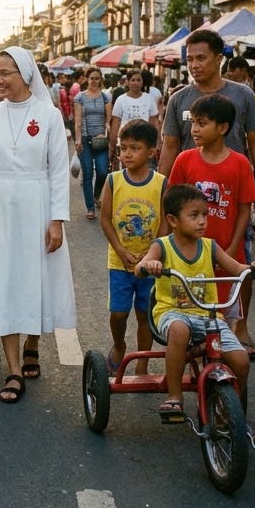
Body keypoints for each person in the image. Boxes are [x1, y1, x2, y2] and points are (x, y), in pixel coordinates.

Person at [0, 48, 77, 403]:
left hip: (37, 203)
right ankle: (14, 370)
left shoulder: (48, 116)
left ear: (26, 74)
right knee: (6, 282)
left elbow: (59, 172)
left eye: (5, 73)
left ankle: (33, 344)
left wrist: (57, 220)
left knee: (34, 278)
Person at [158, 29, 255, 342]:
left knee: (239, 261)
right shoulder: (179, 97)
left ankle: (241, 327)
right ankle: (194, 323)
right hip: (189, 201)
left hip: (233, 195)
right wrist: (162, 190)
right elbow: (169, 146)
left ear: (219, 58)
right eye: (190, 59)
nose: (194, 64)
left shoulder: (242, 94)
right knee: (189, 260)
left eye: (201, 58)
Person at [142, 184, 255, 422]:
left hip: (208, 316)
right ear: (173, 220)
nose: (202, 221)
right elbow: (143, 266)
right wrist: (150, 266)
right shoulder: (162, 246)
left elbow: (238, 269)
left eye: (204, 215)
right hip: (172, 313)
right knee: (179, 331)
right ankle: (174, 397)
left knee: (241, 362)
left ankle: (233, 412)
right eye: (194, 216)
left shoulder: (210, 246)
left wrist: (254, 268)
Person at [169, 94, 255, 356]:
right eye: (193, 122)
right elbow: (172, 206)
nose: (194, 129)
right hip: (190, 254)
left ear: (223, 128)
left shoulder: (240, 163)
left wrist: (232, 248)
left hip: (228, 254)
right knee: (191, 312)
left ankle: (225, 358)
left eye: (202, 123)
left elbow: (245, 208)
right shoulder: (185, 160)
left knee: (223, 315)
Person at [98, 119, 165, 377]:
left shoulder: (160, 183)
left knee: (143, 314)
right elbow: (105, 219)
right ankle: (119, 345)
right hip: (121, 262)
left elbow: (164, 224)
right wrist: (122, 251)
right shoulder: (114, 180)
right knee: (118, 313)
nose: (126, 153)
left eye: (134, 148)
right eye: (123, 148)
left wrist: (151, 255)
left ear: (151, 152)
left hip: (151, 264)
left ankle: (142, 363)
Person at [73, 67, 112, 219]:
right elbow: (77, 120)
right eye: (92, 78)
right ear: (86, 79)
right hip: (85, 138)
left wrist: (106, 133)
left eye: (97, 78)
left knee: (102, 171)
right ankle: (90, 207)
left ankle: (96, 196)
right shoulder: (79, 98)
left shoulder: (106, 97)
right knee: (88, 173)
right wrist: (78, 139)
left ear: (100, 79)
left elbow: (108, 119)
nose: (94, 81)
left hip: (101, 139)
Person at [108, 69, 159, 164]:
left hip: (145, 142)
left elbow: (154, 121)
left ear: (142, 82)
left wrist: (157, 142)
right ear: (127, 82)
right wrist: (113, 144)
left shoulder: (149, 99)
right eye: (133, 80)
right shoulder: (121, 100)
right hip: (125, 143)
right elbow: (115, 122)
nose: (136, 83)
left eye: (138, 80)